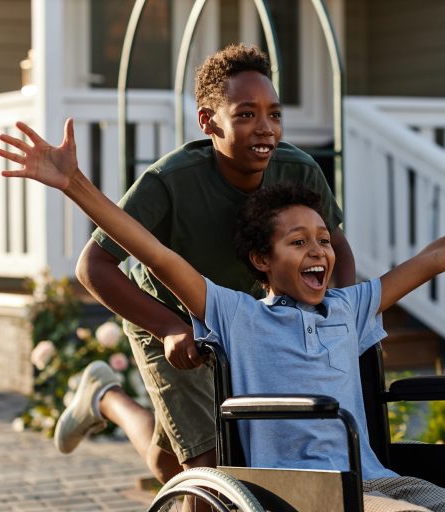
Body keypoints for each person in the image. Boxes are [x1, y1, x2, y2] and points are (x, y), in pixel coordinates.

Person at [0, 115, 445, 511]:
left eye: (323, 240)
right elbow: (154, 252)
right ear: (261, 259)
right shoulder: (234, 315)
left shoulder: (350, 309)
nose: (319, 251)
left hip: (375, 480)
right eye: (298, 242)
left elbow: (433, 258)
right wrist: (75, 184)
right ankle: (107, 399)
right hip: (299, 493)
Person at [48, 44, 356, 483]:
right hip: (168, 317)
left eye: (274, 114)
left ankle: (104, 397)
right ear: (208, 122)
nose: (265, 128)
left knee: (169, 463)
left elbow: (337, 245)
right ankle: (113, 397)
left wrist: (339, 315)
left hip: (238, 319)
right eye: (247, 114)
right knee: (210, 463)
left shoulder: (299, 169)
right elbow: (93, 266)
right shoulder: (168, 182)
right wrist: (168, 327)